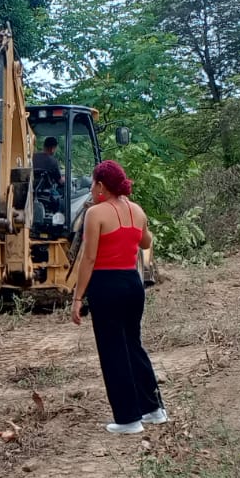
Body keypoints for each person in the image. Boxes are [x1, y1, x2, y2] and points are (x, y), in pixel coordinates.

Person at [70, 160, 167, 434]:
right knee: (133, 345)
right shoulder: (137, 210)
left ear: (101, 186)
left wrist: (77, 298)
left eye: (93, 184)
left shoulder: (95, 213)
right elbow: (146, 242)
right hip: (132, 284)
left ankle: (128, 419)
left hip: (106, 284)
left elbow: (88, 258)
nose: (91, 189)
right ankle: (154, 409)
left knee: (113, 350)